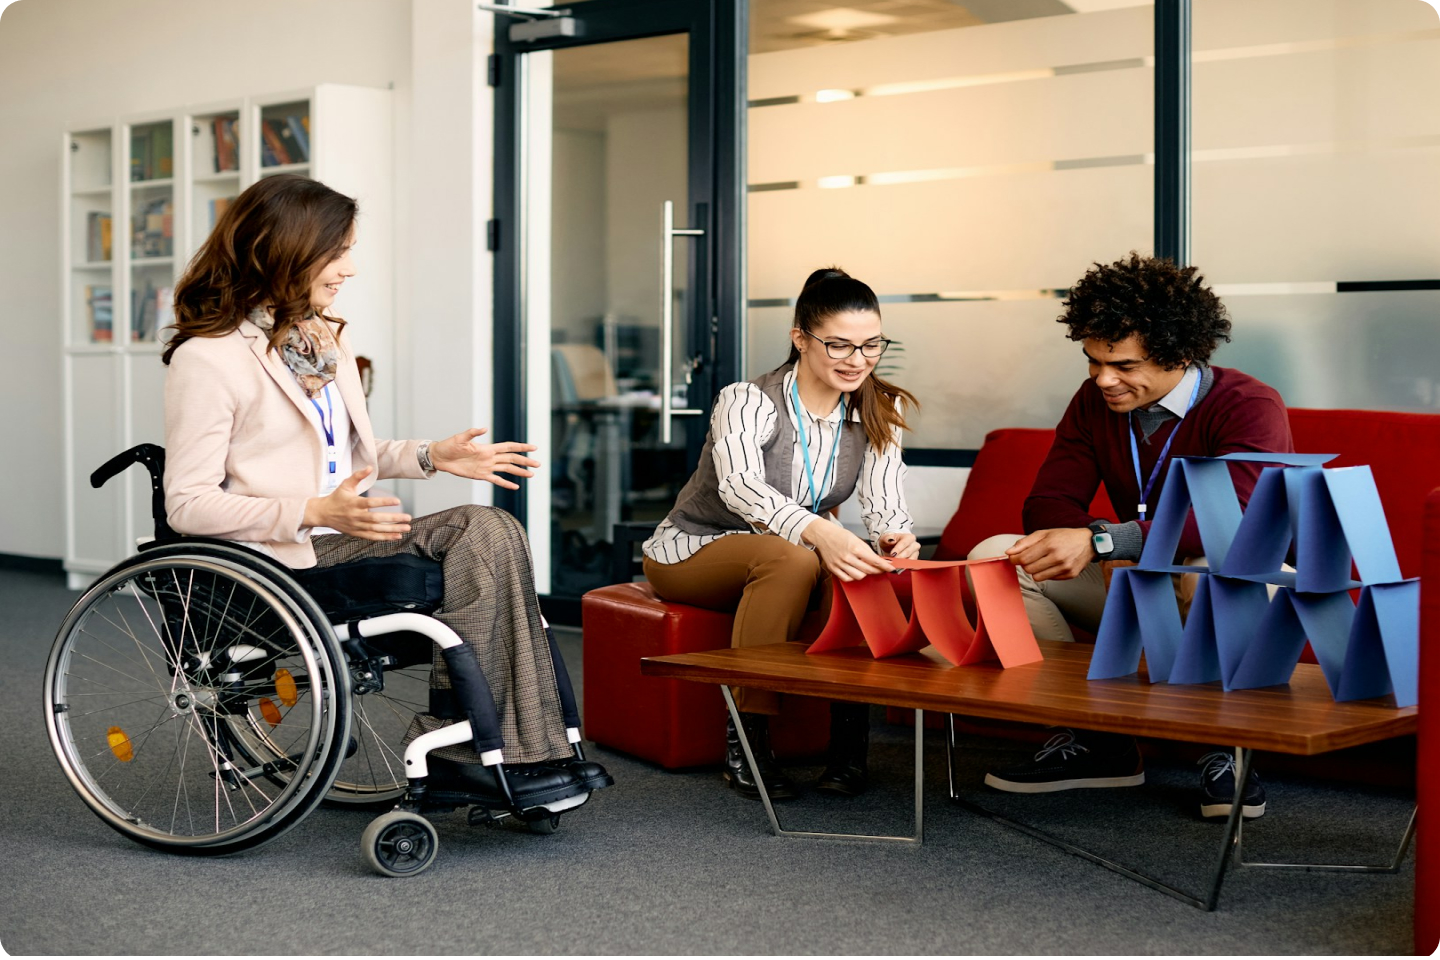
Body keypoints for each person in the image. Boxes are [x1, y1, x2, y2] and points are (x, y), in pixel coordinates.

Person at [161, 174, 609, 806]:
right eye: (336, 250)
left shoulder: (319, 340)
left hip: (341, 536)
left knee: (492, 528)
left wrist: (432, 456)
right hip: (280, 562)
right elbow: (187, 503)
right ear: (283, 248)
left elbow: (337, 458)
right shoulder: (208, 359)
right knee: (483, 539)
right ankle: (491, 753)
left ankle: (502, 751)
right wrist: (313, 510)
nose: (349, 267)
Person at [969, 252, 1292, 820]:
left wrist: (1107, 542)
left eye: (1122, 364)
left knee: (1234, 574)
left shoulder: (1248, 405)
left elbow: (1239, 520)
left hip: (1218, 574)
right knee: (994, 558)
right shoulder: (1094, 402)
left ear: (1179, 353)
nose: (1103, 379)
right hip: (1134, 583)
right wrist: (1107, 540)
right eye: (1093, 361)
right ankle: (1095, 736)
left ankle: (1228, 745)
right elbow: (1047, 502)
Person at [643, 267, 919, 800]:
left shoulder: (879, 407)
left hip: (795, 549)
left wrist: (894, 538)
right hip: (694, 547)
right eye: (838, 344)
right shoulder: (748, 400)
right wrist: (821, 533)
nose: (857, 360)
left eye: (871, 345)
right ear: (800, 338)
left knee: (858, 566)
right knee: (793, 560)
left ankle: (848, 747)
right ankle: (747, 743)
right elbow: (740, 488)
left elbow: (886, 500)